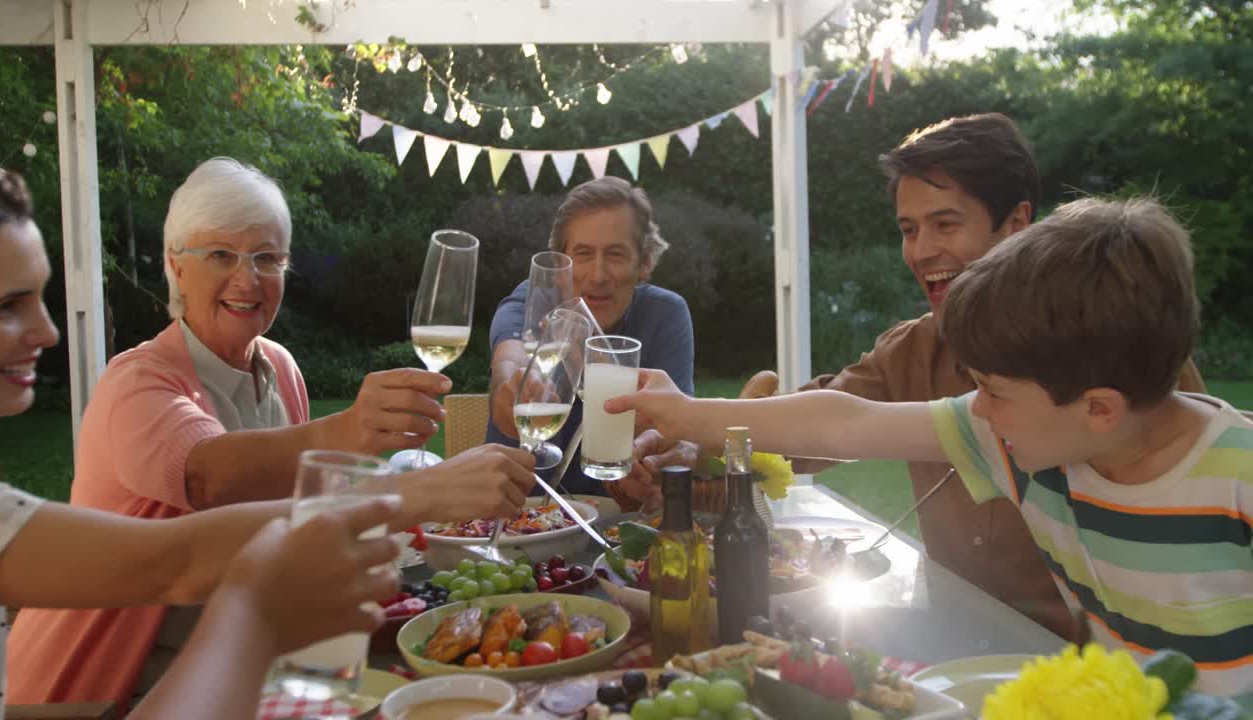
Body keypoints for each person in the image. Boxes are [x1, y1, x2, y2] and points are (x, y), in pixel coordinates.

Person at [611, 197, 1253, 704]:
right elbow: (845, 423)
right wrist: (692, 414)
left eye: (993, 390)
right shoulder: (1017, 437)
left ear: (1100, 408)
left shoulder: (1237, 474)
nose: (975, 407)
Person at [7, 157, 537, 706]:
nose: (247, 278)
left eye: (266, 257)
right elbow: (211, 478)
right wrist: (372, 448)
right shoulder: (135, 382)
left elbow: (297, 517)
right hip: (104, 691)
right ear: (176, 265)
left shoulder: (280, 368)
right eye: (220, 254)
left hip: (234, 667)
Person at [792, 113, 1203, 641]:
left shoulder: (1120, 353)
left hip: (1092, 677)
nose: (919, 252)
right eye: (909, 230)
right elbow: (813, 429)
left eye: (945, 224)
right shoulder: (910, 350)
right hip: (951, 654)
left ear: (1016, 224)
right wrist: (695, 450)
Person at [485, 176, 696, 509]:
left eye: (615, 254)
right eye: (583, 254)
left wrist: (660, 463)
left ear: (644, 262)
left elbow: (679, 431)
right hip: (519, 520)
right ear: (559, 265)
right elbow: (508, 361)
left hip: (619, 528)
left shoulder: (664, 315)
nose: (598, 275)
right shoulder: (532, 304)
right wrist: (511, 386)